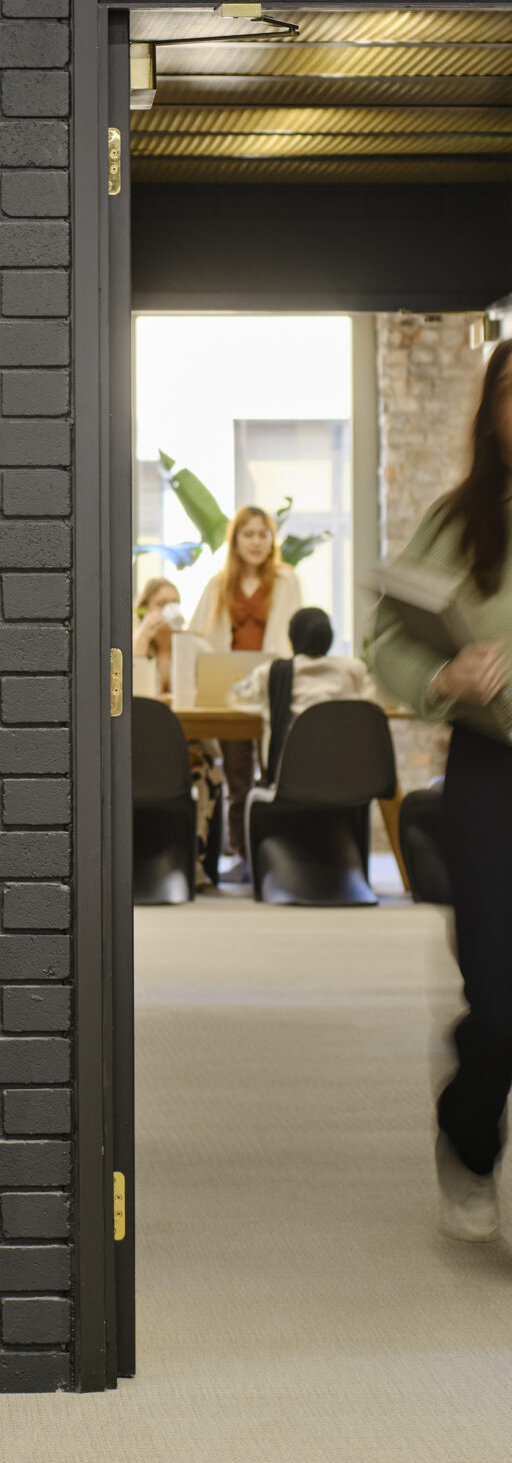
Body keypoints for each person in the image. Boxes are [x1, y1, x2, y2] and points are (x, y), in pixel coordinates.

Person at [367, 339, 512, 1242]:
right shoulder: (460, 519)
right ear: (491, 412)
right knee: (498, 995)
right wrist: (443, 677)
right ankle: (467, 1135)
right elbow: (389, 635)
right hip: (490, 772)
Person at [189, 504, 305, 881]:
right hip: (232, 692)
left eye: (263, 534)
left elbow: (295, 635)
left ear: (272, 540)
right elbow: (198, 638)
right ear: (235, 541)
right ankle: (241, 854)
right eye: (248, 534)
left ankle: (271, 852)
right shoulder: (217, 584)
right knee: (237, 779)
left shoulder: (287, 581)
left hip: (273, 688)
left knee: (275, 774)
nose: (256, 542)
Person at [229, 605, 371, 784]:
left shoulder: (271, 673)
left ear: (291, 639)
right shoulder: (353, 670)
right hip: (345, 784)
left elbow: (236, 696)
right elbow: (373, 706)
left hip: (289, 785)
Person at [133, 575, 184, 697]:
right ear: (145, 608)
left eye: (175, 603)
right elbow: (132, 687)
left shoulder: (191, 646)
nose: (171, 609)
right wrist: (143, 636)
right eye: (162, 604)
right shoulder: (132, 645)